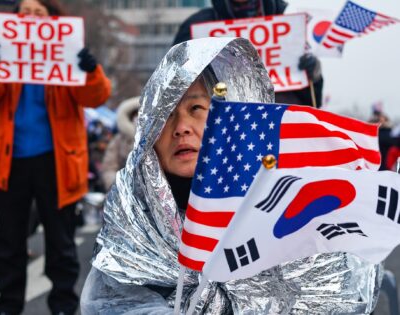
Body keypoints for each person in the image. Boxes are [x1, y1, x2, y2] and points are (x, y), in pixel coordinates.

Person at [80, 37, 381, 314]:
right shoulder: (133, 215)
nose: (181, 126)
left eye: (196, 108)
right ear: (149, 134)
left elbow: (333, 296)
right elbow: (111, 302)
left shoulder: (284, 202)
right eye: (167, 113)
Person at [0, 0, 111, 314]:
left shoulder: (67, 57)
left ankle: (64, 306)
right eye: (25, 13)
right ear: (15, 21)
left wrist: (90, 69)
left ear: (52, 20)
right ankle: (8, 307)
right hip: (9, 163)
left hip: (57, 162)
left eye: (38, 13)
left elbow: (97, 96)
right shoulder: (2, 57)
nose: (31, 18)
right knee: (8, 242)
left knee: (60, 242)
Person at [172, 0, 324, 108]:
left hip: (280, 126)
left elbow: (311, 100)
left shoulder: (291, 20)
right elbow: (174, 84)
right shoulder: (196, 27)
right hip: (223, 127)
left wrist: (313, 76)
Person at [100, 96, 139, 191]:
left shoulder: (159, 138)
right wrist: (120, 187)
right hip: (124, 191)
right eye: (136, 115)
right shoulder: (119, 140)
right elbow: (109, 167)